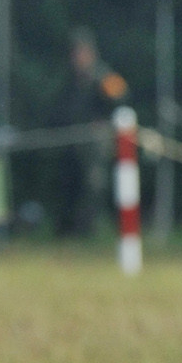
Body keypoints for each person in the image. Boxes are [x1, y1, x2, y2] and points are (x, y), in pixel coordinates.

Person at [60, 26, 129, 236]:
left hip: (96, 144)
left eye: (81, 52)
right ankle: (71, 228)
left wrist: (104, 119)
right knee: (71, 184)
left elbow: (121, 98)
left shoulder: (103, 75)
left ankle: (91, 227)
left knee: (95, 184)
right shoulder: (73, 79)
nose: (77, 57)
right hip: (74, 141)